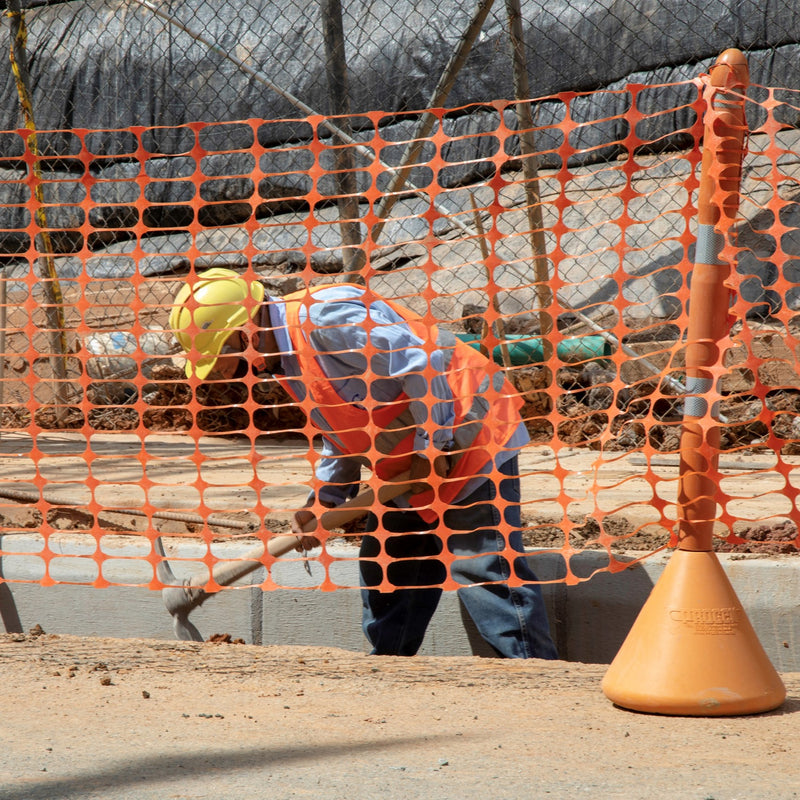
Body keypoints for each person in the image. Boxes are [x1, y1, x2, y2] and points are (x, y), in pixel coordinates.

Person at [169, 267, 558, 660]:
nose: (217, 370)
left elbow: (419, 364)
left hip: (470, 434)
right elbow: (344, 427)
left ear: (247, 328)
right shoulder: (282, 357)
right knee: (389, 565)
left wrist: (431, 450)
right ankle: (385, 672)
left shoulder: (325, 319)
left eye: (221, 355)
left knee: (483, 568)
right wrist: (324, 501)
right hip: (408, 467)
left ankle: (532, 677)